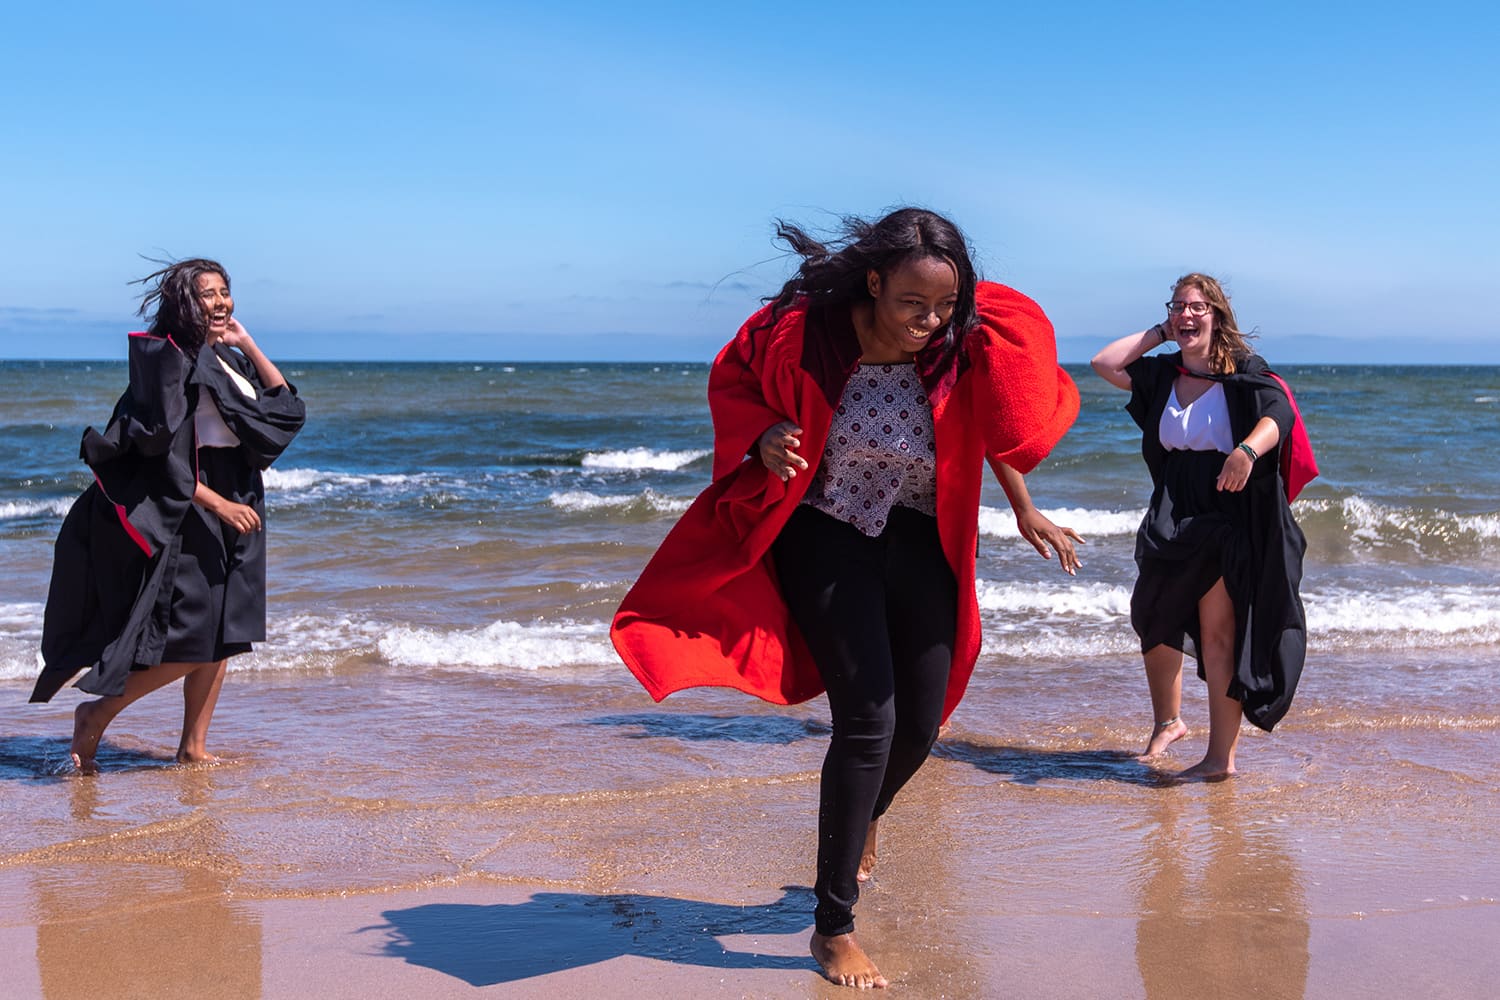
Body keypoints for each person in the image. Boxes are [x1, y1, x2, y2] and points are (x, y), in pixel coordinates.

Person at [612, 208, 1081, 988]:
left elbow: (994, 419)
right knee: (869, 719)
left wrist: (1025, 504)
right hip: (826, 532)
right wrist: (763, 434)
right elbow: (735, 381)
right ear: (875, 283)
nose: (929, 322)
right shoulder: (805, 335)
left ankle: (863, 821)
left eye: (943, 306)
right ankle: (832, 927)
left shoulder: (957, 344)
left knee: (922, 726)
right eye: (912, 305)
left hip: (922, 536)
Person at [31, 258, 306, 773]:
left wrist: (247, 344)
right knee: (194, 636)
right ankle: (97, 711)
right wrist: (217, 503)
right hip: (191, 505)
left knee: (225, 634)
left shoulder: (230, 360)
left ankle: (192, 747)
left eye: (225, 292)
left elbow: (287, 412)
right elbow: (155, 456)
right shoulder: (168, 361)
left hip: (237, 495)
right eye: (208, 294)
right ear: (185, 301)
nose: (220, 302)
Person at [1090, 273, 1307, 780]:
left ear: (1217, 315)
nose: (1187, 315)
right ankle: (1168, 721)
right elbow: (1105, 363)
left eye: (1197, 307)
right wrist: (1159, 332)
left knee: (1217, 634)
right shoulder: (1164, 373)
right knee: (1152, 612)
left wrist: (1247, 450)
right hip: (1171, 513)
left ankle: (1219, 760)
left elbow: (1279, 412)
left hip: (1225, 513)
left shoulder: (1242, 371)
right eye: (1178, 307)